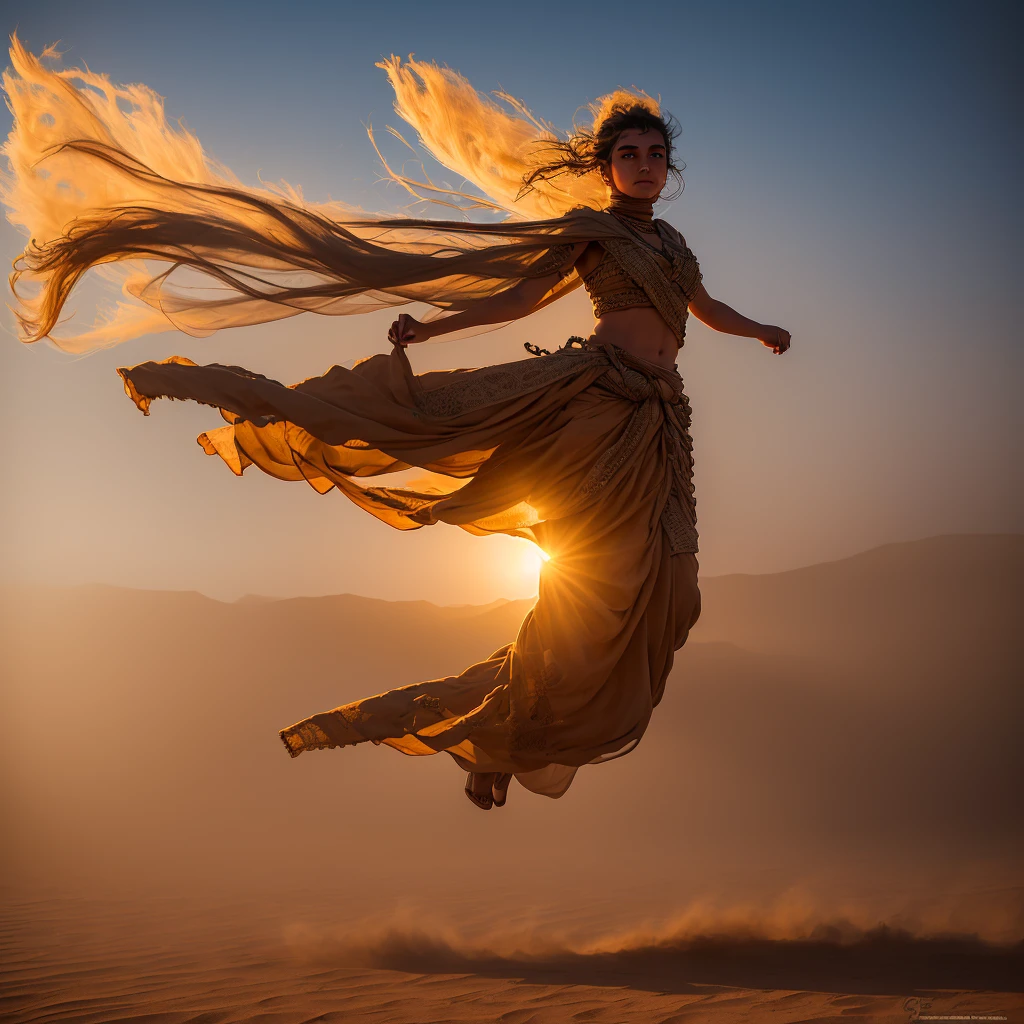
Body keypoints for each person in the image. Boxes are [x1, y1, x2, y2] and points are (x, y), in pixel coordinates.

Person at [2, 38, 791, 811]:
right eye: (630, 153)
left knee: (673, 597)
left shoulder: (676, 244)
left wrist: (756, 328)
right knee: (587, 578)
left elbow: (702, 309)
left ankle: (509, 733)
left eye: (656, 153)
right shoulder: (592, 227)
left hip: (662, 420)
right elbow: (519, 301)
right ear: (605, 166)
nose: (645, 163)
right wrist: (434, 328)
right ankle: (494, 739)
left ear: (669, 168)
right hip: (596, 404)